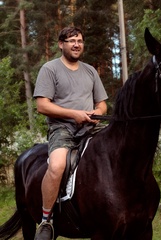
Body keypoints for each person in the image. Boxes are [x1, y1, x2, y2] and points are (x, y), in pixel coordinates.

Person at [33, 26, 108, 240]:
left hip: (91, 127)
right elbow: (42, 106)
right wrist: (73, 114)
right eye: (72, 40)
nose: (76, 44)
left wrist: (97, 112)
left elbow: (102, 104)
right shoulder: (50, 69)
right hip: (62, 129)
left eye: (80, 41)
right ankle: (46, 221)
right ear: (60, 44)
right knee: (56, 166)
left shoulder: (91, 71)